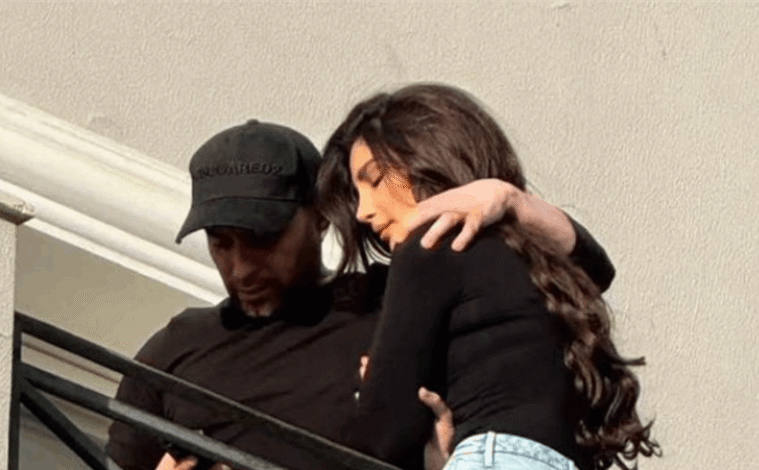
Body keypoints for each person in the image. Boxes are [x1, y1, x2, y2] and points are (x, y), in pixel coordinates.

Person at [106, 119, 617, 470]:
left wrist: (509, 199)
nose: (240, 267)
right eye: (221, 243)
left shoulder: (387, 301)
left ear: (319, 217)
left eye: (262, 239)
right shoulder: (175, 348)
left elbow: (584, 273)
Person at [316, 83, 660, 470]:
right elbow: (597, 267)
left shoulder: (429, 246)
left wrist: (376, 386)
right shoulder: (527, 258)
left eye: (375, 179)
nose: (362, 211)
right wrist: (512, 198)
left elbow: (381, 435)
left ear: (427, 156)